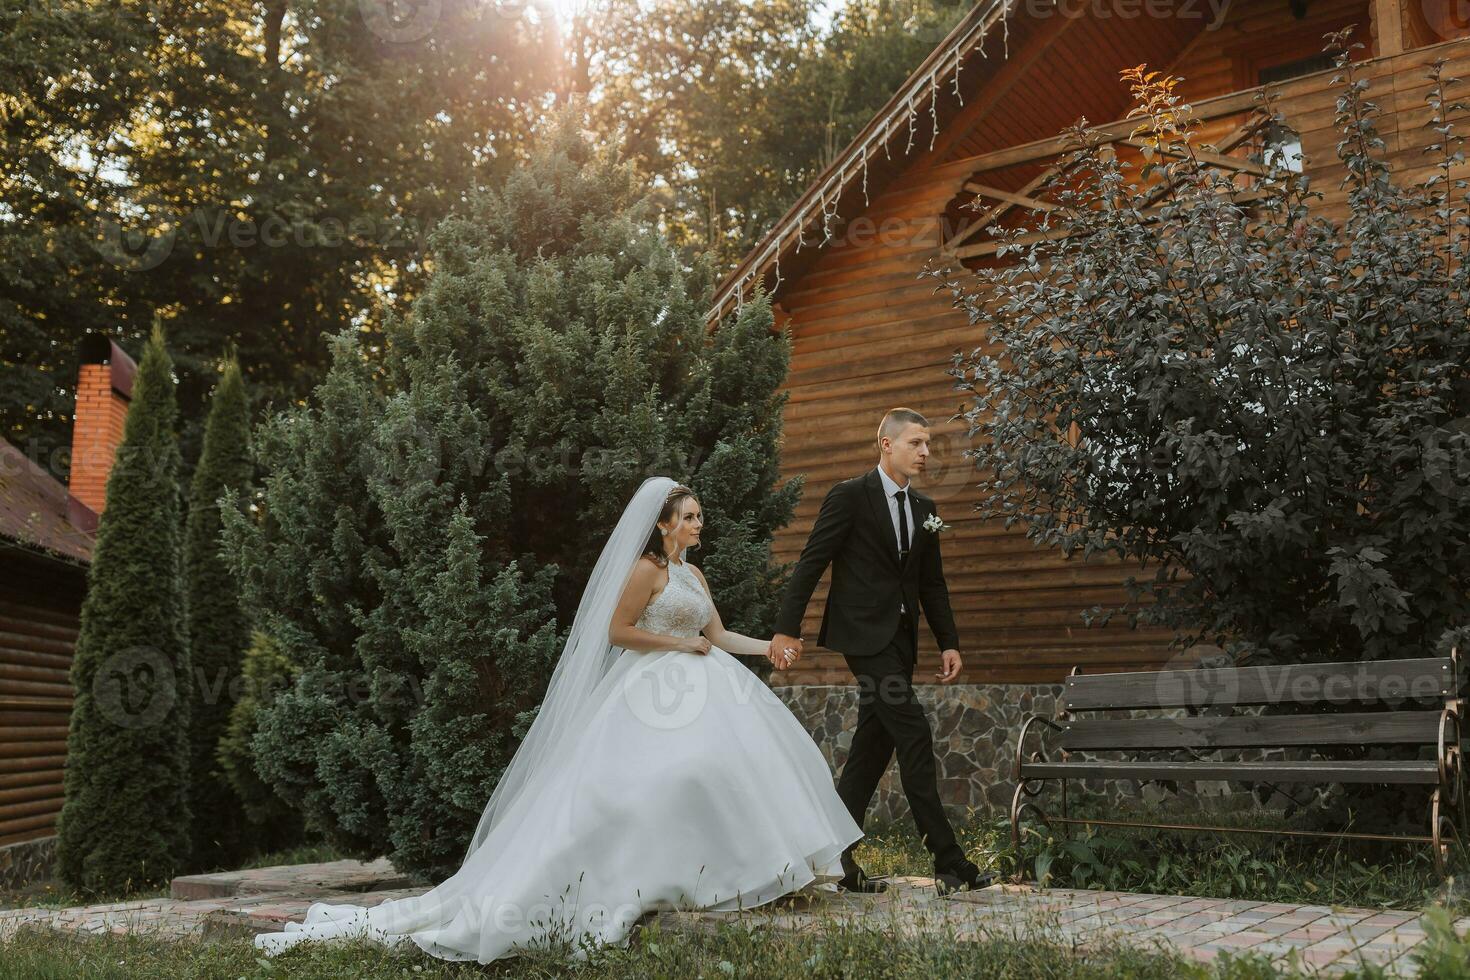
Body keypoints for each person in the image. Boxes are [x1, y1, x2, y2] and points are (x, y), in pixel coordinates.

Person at [252, 476, 862, 964]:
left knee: (734, 767)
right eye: (691, 516)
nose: (699, 524)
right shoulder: (646, 571)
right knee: (665, 779)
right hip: (648, 688)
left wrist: (772, 647)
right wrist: (679, 648)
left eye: (700, 516)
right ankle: (632, 882)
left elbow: (719, 633)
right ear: (664, 523)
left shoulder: (694, 575)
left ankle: (729, 877)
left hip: (708, 686)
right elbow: (618, 632)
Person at [770, 408, 996, 896]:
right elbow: (812, 561)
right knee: (913, 731)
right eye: (916, 443)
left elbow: (932, 584)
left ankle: (837, 860)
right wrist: (787, 629)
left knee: (872, 749)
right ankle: (949, 861)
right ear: (886, 445)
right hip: (862, 639)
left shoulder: (924, 509)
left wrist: (949, 640)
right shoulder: (850, 497)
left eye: (928, 443)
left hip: (901, 642)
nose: (926, 452)